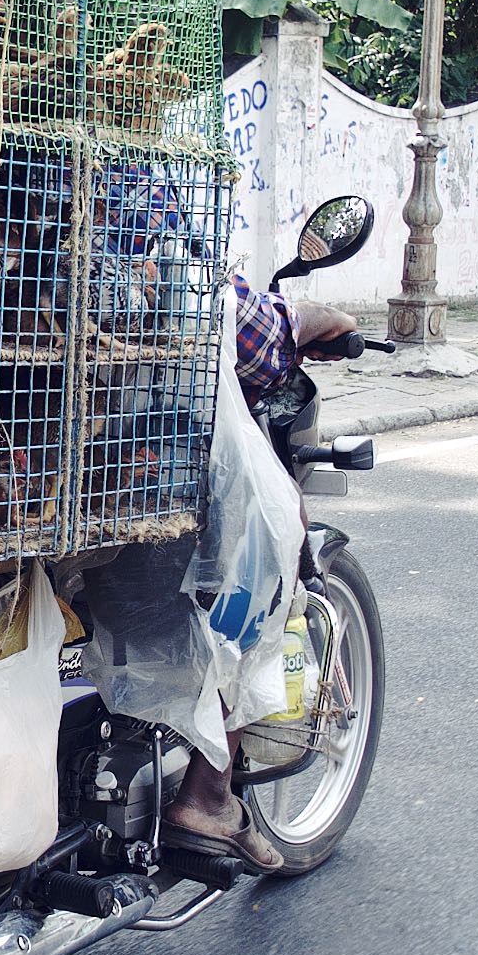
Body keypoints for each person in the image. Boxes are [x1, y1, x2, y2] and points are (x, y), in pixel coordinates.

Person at [155, 273, 356, 871]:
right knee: (269, 539)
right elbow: (226, 310)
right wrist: (304, 320)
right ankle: (208, 794)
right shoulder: (128, 197)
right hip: (123, 462)